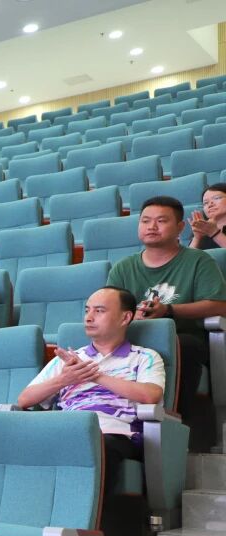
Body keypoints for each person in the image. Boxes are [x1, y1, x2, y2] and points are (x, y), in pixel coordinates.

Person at [17, 287, 165, 497]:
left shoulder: (144, 357)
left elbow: (150, 395)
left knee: (94, 445)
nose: (88, 317)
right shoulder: (68, 360)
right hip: (68, 428)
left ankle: (85, 515)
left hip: (115, 434)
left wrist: (95, 376)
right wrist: (64, 379)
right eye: (87, 310)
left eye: (99, 311)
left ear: (125, 318)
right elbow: (24, 400)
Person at [106, 195, 226, 410]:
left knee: (183, 346)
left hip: (184, 336)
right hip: (136, 335)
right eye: (145, 221)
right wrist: (133, 316)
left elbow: (219, 305)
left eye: (161, 221)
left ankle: (173, 419)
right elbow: (110, 309)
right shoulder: (123, 267)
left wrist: (169, 309)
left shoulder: (199, 261)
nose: (152, 226)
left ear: (180, 227)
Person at [191, 183, 226, 251]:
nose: (210, 204)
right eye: (205, 203)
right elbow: (188, 257)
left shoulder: (211, 230)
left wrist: (214, 233)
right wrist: (196, 238)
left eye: (217, 198)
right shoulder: (202, 228)